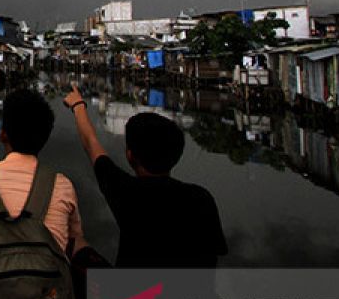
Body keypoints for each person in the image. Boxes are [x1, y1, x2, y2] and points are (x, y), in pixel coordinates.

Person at [64, 84, 227, 267]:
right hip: (192, 294)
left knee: (77, 242)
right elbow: (213, 258)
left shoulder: (126, 192)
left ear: (130, 155)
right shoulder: (201, 198)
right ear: (176, 155)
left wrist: (78, 104)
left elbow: (90, 142)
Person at [0, 88, 87, 269]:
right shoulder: (63, 185)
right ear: (45, 138)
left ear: (3, 134)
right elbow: (73, 241)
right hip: (51, 292)